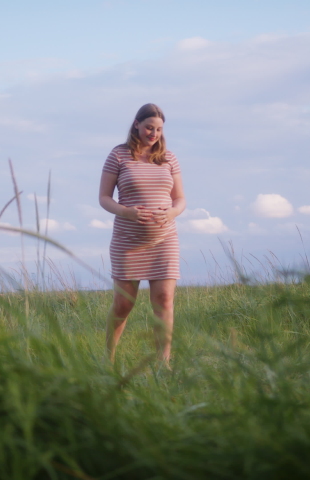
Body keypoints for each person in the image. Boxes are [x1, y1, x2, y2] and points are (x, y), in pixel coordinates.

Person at [98, 103, 186, 365]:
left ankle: (164, 364)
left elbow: (180, 199)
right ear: (136, 124)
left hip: (164, 239)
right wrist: (126, 212)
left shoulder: (168, 158)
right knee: (124, 305)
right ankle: (108, 359)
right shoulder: (118, 155)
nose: (153, 133)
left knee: (164, 300)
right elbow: (104, 198)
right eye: (149, 127)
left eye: (158, 129)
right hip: (128, 241)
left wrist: (171, 213)